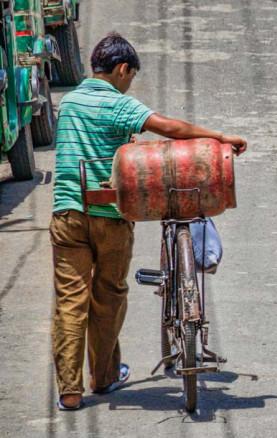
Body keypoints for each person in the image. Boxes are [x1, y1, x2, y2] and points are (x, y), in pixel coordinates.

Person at [51, 33, 246, 411]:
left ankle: (70, 391)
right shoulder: (118, 103)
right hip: (110, 217)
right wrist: (219, 137)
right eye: (130, 76)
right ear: (123, 69)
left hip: (67, 214)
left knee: (69, 303)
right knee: (108, 297)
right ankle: (103, 377)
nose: (129, 84)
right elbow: (169, 129)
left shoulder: (70, 101)